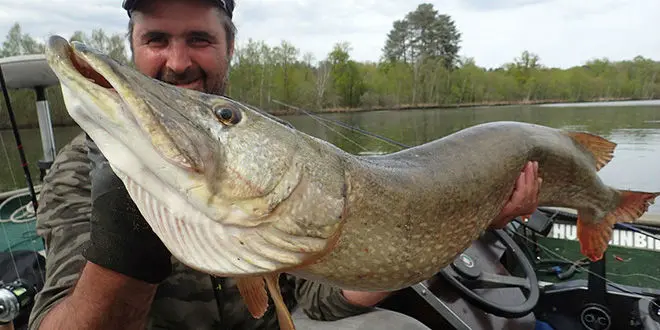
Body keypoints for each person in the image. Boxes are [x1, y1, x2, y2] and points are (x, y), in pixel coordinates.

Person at [27, 0, 542, 329]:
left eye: (200, 39)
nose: (178, 62)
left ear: (229, 46)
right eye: (156, 39)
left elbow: (319, 302)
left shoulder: (268, 153)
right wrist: (126, 234)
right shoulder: (80, 171)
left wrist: (462, 226)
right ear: (133, 48)